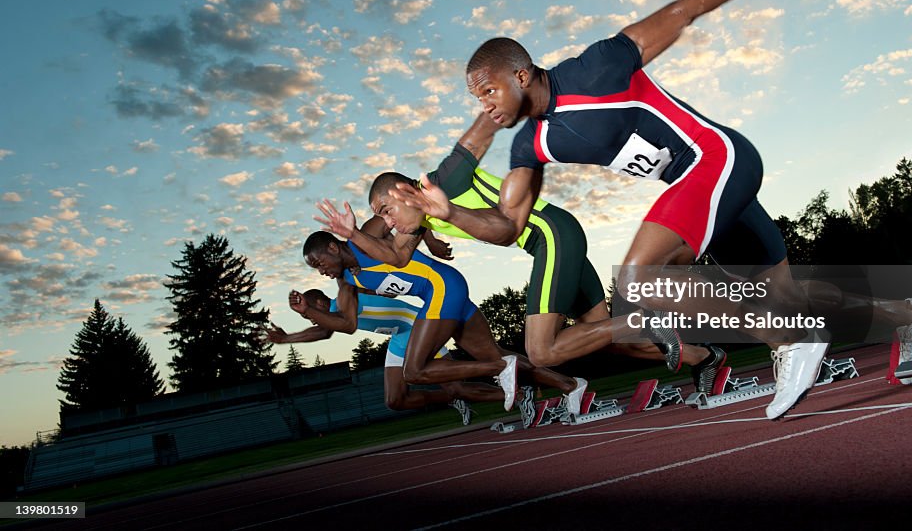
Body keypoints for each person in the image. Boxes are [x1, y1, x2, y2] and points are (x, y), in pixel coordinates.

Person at [391, 0, 912, 419]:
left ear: (521, 73)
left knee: (639, 279)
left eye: (488, 90)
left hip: (719, 160)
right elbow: (510, 226)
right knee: (785, 293)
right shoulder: (529, 147)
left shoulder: (599, 66)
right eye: (475, 98)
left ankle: (787, 343)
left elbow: (686, 8)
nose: (484, 106)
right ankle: (906, 314)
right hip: (705, 193)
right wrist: (449, 211)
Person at [315, 112, 728, 394]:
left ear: (404, 192)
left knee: (542, 350)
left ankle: (641, 320)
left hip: (552, 234)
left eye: (385, 211)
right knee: (607, 339)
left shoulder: (445, 180)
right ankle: (705, 357)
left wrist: (499, 103)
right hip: (550, 242)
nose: (386, 222)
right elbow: (398, 259)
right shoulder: (420, 220)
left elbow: (478, 134)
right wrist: (353, 233)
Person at [299, 230, 590, 418]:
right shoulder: (347, 281)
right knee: (496, 353)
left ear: (332, 248)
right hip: (446, 294)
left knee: (414, 371)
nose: (320, 270)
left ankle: (500, 370)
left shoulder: (364, 238)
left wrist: (431, 239)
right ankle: (572, 385)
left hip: (440, 289)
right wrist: (308, 312)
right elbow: (347, 324)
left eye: (319, 262)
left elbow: (409, 214)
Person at [265, 288, 509, 425]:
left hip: (417, 326)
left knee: (458, 387)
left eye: (309, 313)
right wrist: (286, 339)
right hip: (398, 336)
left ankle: (514, 393)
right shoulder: (330, 315)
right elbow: (324, 329)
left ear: (319, 302)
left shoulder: (342, 301)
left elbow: (325, 330)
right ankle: (450, 397)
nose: (308, 318)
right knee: (395, 400)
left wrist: (298, 326)